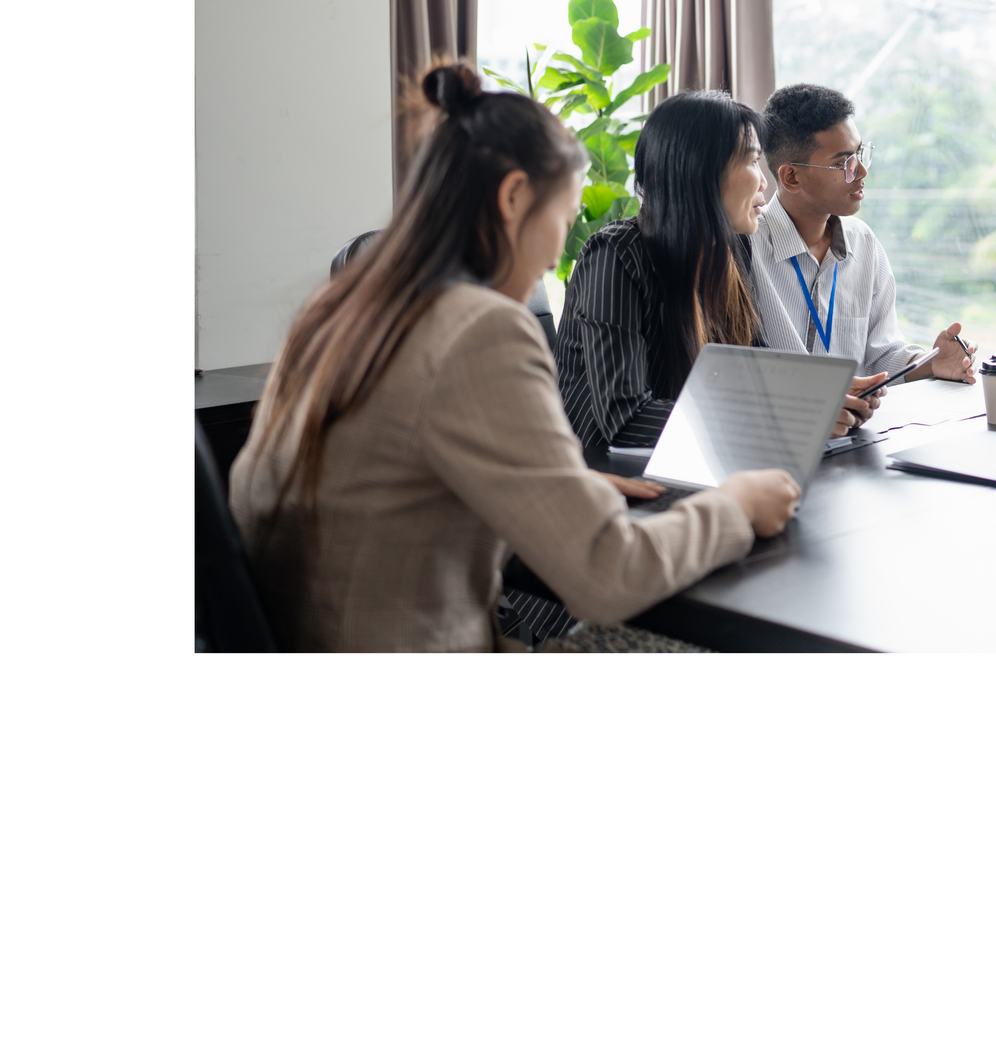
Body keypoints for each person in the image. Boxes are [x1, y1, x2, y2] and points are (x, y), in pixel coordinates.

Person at [229, 67, 799, 652]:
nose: (555, 257)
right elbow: (609, 574)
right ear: (512, 198)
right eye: (563, 217)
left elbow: (398, 487)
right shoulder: (480, 330)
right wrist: (734, 508)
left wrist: (562, 485)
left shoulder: (336, 315)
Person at [556, 88, 882, 460]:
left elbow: (754, 371)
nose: (764, 182)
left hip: (692, 464)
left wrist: (823, 397)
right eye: (752, 161)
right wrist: (786, 417)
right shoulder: (616, 254)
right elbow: (625, 419)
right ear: (701, 171)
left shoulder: (731, 249)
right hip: (606, 475)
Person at [745, 83, 978, 427]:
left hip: (852, 432)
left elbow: (881, 355)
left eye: (860, 154)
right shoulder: (744, 247)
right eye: (845, 163)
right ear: (792, 177)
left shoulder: (863, 243)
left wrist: (932, 363)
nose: (862, 172)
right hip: (778, 433)